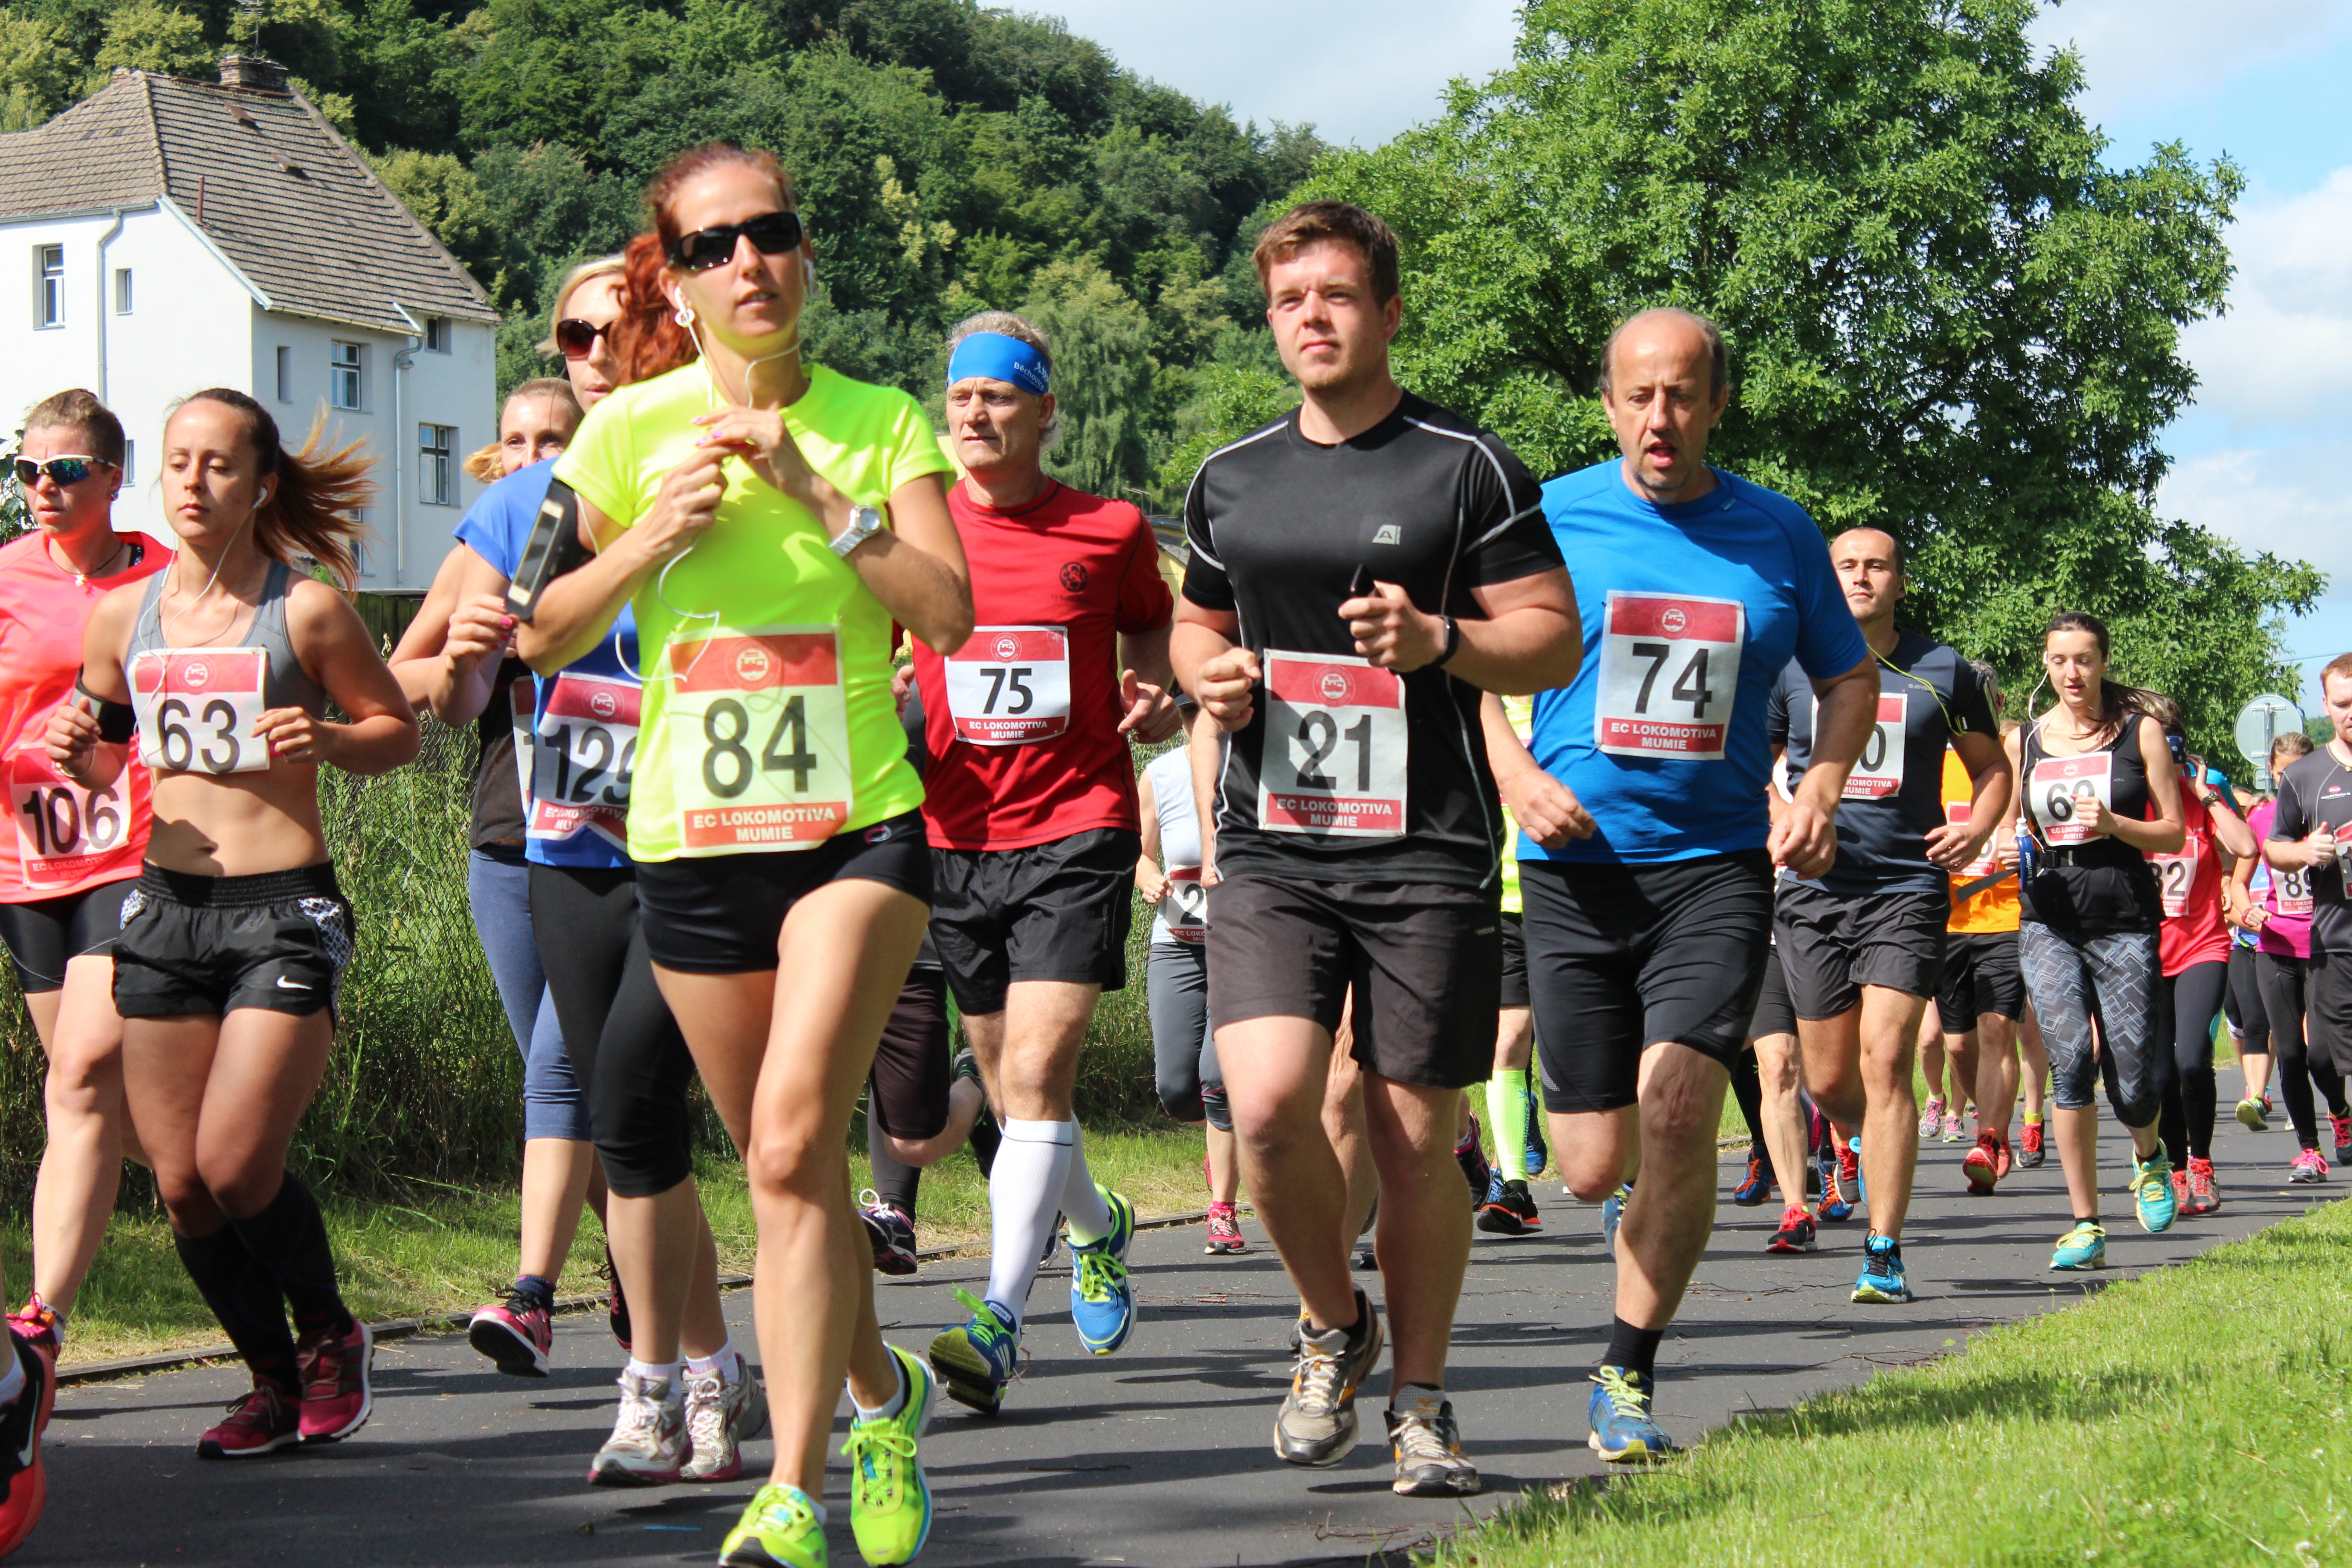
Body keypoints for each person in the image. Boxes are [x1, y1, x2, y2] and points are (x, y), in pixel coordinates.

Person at [525, 142, 973, 1568]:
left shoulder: (882, 421)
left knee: (789, 1145)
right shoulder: (626, 434)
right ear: (682, 276)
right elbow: (535, 628)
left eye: (770, 233)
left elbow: (952, 617)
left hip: (857, 831)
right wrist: (648, 535)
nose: (749, 263)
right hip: (694, 846)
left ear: (804, 250)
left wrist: (826, 503)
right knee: (794, 1182)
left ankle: (794, 1488)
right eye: (714, 246)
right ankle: (882, 1395)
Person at [1171, 201, 1577, 1499]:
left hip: (1429, 850)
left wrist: (1443, 642)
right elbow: (1192, 629)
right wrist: (1214, 679)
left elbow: (1555, 637)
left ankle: (1423, 1398)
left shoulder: (1468, 470)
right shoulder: (1229, 477)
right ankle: (1331, 1326)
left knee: (1412, 1137)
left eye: (1339, 296)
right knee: (1274, 1103)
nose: (1314, 319)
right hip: (1275, 845)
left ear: (1389, 313)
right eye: (1292, 300)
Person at [1501, 306, 1876, 1460]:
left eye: (1681, 394)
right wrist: (1512, 768)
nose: (1659, 417)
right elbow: (1468, 663)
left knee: (1676, 1105)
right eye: (1637, 395)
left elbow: (1847, 678)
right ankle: (1640, 1213)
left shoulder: (1776, 531)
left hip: (1713, 868)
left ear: (1717, 402)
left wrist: (1816, 786)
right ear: (1608, 404)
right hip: (1568, 868)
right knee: (1586, 1165)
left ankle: (1626, 1369)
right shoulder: (1549, 513)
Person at [50, 388, 420, 1455]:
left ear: (260, 484)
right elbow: (115, 762)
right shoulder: (125, 615)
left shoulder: (303, 609)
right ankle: (267, 1379)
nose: (194, 482)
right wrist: (85, 744)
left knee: (238, 1161)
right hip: (167, 908)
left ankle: (330, 1334)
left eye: (219, 464)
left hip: (282, 910)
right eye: (178, 462)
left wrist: (330, 739)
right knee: (179, 1182)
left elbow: (394, 729)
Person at [443, 326, 763, 1488]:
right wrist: (466, 662)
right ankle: (693, 1370)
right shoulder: (537, 506)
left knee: (641, 1092)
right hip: (569, 837)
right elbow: (459, 661)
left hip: (702, 835)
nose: (589, 355)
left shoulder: (734, 463)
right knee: (630, 1125)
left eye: (612, 334)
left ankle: (690, 1370)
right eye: (572, 336)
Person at [912, 309, 1179, 1417]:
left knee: (1034, 1074)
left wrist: (1154, 685)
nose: (974, 412)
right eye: (960, 395)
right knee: (1013, 1078)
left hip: (1079, 823)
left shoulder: (1107, 529)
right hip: (953, 832)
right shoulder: (913, 527)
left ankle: (997, 1318)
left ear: (1042, 411)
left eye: (999, 396)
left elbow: (1153, 631)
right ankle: (1095, 1224)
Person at [389, 278, 623, 1365]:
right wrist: (467, 654)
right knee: (566, 1063)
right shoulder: (510, 530)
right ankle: (599, 1273)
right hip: (523, 837)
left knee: (580, 1065)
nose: (536, 455)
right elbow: (445, 695)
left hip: (656, 843)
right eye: (517, 438)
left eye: (554, 439)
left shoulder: (668, 502)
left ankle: (571, 1280)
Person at [1766, 527, 2006, 1303]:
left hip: (1905, 886)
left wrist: (1975, 827)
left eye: (1875, 566)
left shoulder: (1942, 670)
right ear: (1825, 578)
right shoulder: (1789, 666)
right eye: (1846, 566)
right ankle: (1858, 1143)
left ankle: (1882, 1247)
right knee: (1832, 1082)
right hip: (1811, 891)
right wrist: (1782, 813)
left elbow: (1991, 769)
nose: (1860, 577)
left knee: (1884, 1059)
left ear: (1898, 581)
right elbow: (1752, 760)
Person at [0, 392, 171, 1375]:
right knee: (111, 1113)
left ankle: (41, 1325)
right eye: (27, 471)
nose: (42, 490)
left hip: (132, 850)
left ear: (113, 475)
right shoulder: (8, 579)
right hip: (28, 860)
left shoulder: (161, 578)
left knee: (77, 1077)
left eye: (63, 472)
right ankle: (235, 1199)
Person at [2008, 612, 2185, 1271]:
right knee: (2071, 1059)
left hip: (2123, 915)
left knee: (2133, 1080)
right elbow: (2015, 820)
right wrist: (2006, 837)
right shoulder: (2026, 739)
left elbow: (2173, 833)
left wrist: (2115, 823)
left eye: (2084, 659)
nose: (2072, 674)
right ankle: (2086, 1223)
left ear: (2105, 661)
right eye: (2059, 661)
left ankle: (2149, 1155)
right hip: (2048, 914)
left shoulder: (2142, 734)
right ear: (2047, 665)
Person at [1136, 700, 1246, 1254]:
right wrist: (1147, 873)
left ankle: (1222, 1210)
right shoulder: (1158, 774)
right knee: (1179, 1091)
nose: (1197, 725)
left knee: (1217, 1082)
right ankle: (1220, 1135)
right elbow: (1137, 851)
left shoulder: (1249, 769)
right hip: (1176, 946)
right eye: (1187, 715)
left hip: (1239, 950)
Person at [2146, 702, 2254, 1216]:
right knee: (2162, 1076)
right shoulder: (2133, 799)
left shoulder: (2201, 794)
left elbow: (2246, 843)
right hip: (2146, 953)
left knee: (2192, 1059)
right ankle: (2178, 1172)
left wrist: (2207, 796)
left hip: (2202, 946)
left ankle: (2204, 1162)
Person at [1937, 677, 2034, 1191]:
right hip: (1946, 919)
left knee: (1999, 1029)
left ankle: (1992, 1138)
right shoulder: (1931, 755)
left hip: (2005, 916)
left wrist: (2027, 848)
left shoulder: (2014, 759)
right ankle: (1984, 1122)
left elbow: (2047, 826)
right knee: (1957, 1046)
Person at [2264, 663, 2352, 1183]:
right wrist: (2304, 850)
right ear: (2326, 705)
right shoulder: (2305, 775)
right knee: (2319, 1053)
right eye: (2342, 704)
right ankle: (2340, 1113)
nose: (2351, 713)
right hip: (2334, 939)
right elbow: (2273, 846)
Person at [1473, 693, 1545, 1236]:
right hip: (1503, 902)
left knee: (1573, 1049)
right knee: (1507, 1040)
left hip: (1568, 897)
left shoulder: (1567, 695)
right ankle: (1514, 1185)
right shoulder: (1477, 703)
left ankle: (1624, 1177)